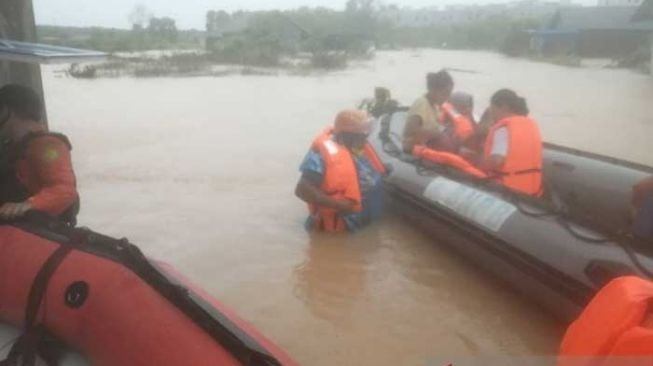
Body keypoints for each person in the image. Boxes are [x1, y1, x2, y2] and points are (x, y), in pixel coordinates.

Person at [295, 109, 386, 233]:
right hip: (338, 228)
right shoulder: (320, 156)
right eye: (362, 136)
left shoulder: (358, 150)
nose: (365, 140)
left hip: (364, 223)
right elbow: (302, 189)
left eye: (366, 135)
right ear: (346, 135)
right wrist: (338, 205)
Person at [0, 84, 79, 224]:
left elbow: (64, 191)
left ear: (6, 110)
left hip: (39, 235)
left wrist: (27, 205)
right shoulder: (11, 147)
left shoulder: (47, 146)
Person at [481, 89, 542, 196]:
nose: (491, 112)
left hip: (507, 191)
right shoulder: (529, 125)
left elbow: (497, 161)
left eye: (492, 108)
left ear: (504, 107)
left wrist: (479, 162)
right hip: (532, 192)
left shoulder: (503, 128)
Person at [402, 70, 455, 153]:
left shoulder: (435, 107)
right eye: (445, 93)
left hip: (427, 146)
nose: (447, 98)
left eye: (449, 94)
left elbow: (435, 126)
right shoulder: (421, 103)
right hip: (414, 149)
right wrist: (438, 134)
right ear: (433, 90)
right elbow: (410, 131)